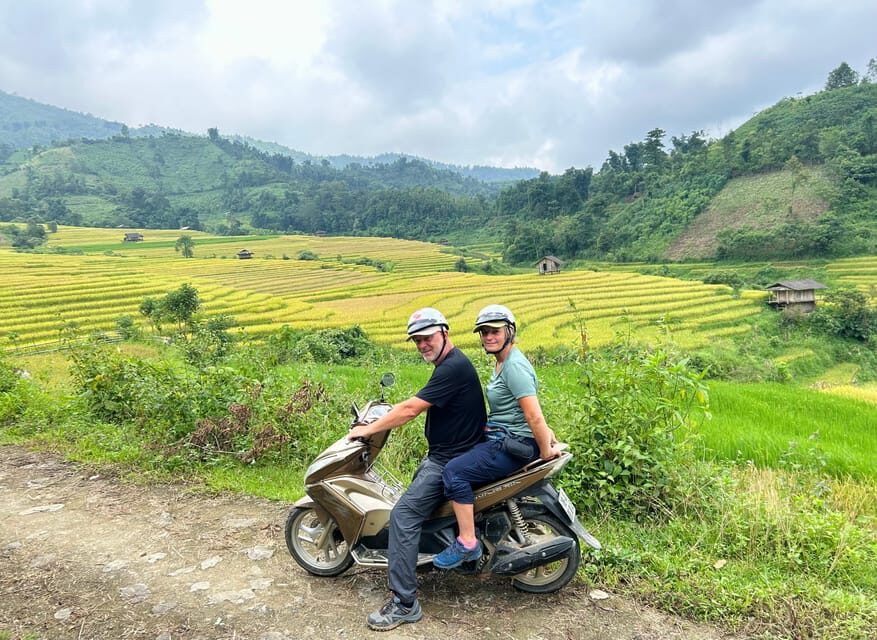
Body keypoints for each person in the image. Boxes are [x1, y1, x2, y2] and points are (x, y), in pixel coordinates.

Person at [347, 307, 486, 631]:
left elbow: (410, 409)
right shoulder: (451, 365)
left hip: (448, 460)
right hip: (449, 453)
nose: (422, 344)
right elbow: (415, 401)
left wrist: (367, 430)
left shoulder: (453, 368)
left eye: (427, 338)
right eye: (417, 340)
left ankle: (404, 603)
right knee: (417, 504)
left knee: (403, 517)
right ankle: (443, 557)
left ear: (444, 333)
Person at [432, 304, 562, 570]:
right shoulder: (504, 361)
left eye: (495, 331)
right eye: (484, 332)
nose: (488, 337)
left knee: (454, 472)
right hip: (503, 438)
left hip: (512, 445)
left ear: (510, 332)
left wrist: (546, 450)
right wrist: (548, 435)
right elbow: (520, 409)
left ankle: (467, 541)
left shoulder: (514, 366)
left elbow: (533, 415)